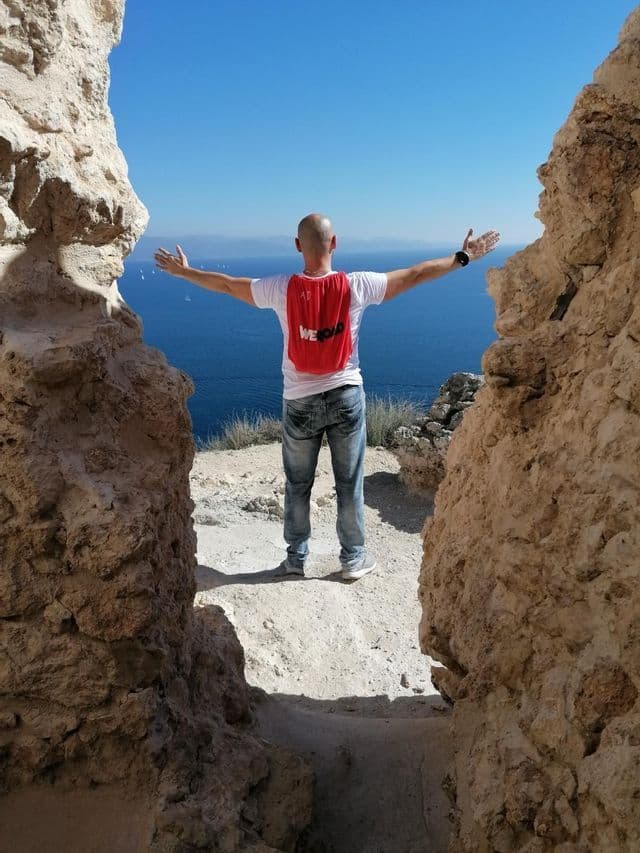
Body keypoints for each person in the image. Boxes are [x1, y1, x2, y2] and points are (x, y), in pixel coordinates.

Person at [155, 215, 499, 581]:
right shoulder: (358, 285)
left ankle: (295, 560)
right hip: (346, 394)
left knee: (298, 483)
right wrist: (463, 256)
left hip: (299, 400)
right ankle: (353, 559)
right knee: (349, 481)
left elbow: (226, 285)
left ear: (297, 245)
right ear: (334, 243)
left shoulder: (280, 288)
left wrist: (185, 273)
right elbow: (415, 274)